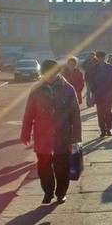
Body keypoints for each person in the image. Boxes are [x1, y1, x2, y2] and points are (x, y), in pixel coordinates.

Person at [20, 59, 81, 204]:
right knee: (43, 167)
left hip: (63, 135)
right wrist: (25, 133)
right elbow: (29, 113)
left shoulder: (68, 88)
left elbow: (75, 114)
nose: (48, 77)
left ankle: (61, 193)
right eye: (45, 74)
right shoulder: (36, 89)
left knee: (62, 168)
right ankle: (48, 193)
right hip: (43, 136)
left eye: (52, 74)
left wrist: (75, 137)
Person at [91, 51, 112, 137]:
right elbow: (91, 81)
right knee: (100, 113)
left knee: (108, 113)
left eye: (102, 57)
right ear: (96, 58)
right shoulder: (94, 68)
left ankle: (109, 129)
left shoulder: (110, 67)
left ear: (104, 57)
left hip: (108, 93)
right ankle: (103, 130)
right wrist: (93, 91)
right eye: (99, 57)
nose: (100, 59)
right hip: (98, 93)